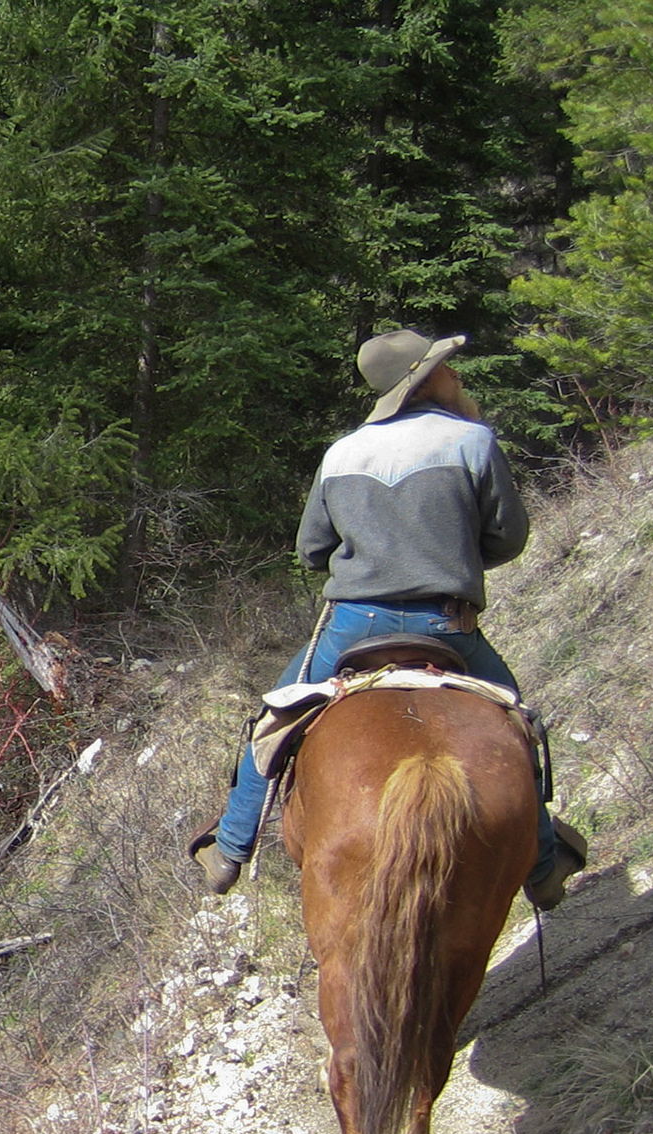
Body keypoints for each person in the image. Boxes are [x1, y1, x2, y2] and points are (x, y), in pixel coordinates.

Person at [190, 327, 587, 908]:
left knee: (271, 722)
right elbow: (508, 536)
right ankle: (543, 870)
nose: (456, 376)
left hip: (354, 625)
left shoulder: (341, 453)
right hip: (445, 624)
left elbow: (311, 550)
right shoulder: (472, 442)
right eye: (447, 367)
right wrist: (456, 557)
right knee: (518, 726)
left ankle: (228, 851)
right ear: (426, 379)